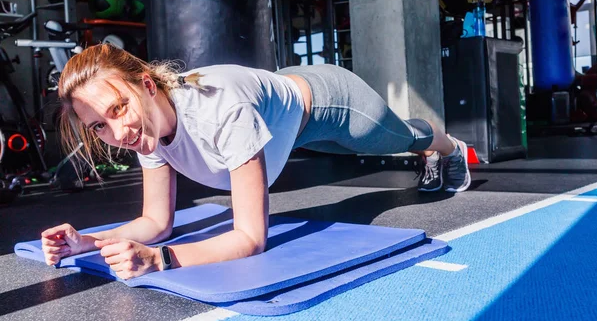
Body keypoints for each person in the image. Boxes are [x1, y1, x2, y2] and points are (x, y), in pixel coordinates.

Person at [40, 44, 470, 280]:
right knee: (342, 149)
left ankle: (447, 146)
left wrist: (160, 260)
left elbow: (250, 238)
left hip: (331, 103)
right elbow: (155, 223)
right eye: (98, 127)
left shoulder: (220, 111)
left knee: (396, 139)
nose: (117, 134)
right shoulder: (145, 132)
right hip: (284, 126)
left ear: (148, 86)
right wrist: (88, 243)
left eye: (117, 109)